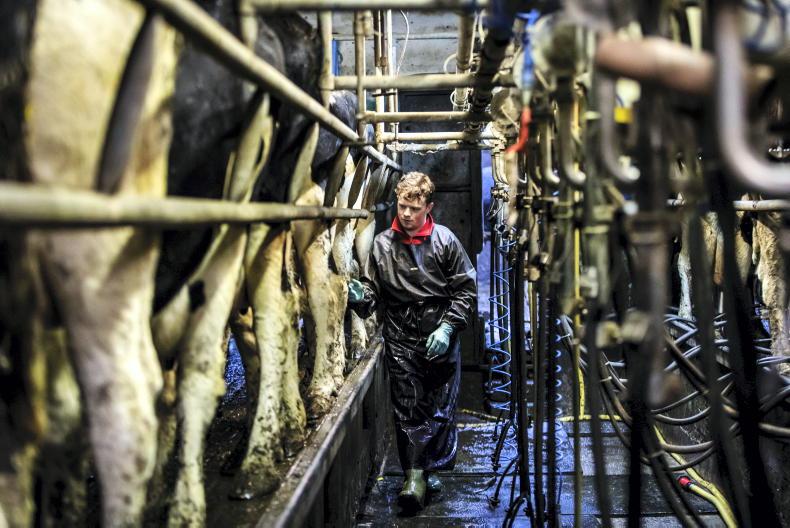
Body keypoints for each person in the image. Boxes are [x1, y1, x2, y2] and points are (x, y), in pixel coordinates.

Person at [348, 171, 476, 511]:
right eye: (402, 206)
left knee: (439, 405)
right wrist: (360, 296)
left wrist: (448, 327)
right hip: (401, 333)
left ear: (428, 207)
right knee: (407, 404)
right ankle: (413, 476)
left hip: (439, 330)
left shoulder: (445, 241)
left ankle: (427, 467)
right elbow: (373, 294)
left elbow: (465, 291)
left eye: (414, 209)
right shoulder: (382, 245)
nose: (406, 214)